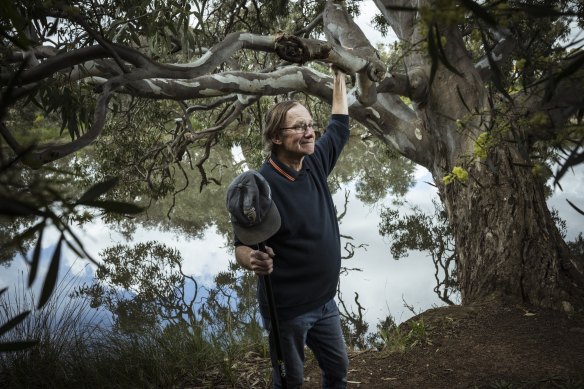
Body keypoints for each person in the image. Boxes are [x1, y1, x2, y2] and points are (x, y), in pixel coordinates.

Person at [234, 68, 350, 388]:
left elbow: (339, 125)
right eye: (299, 127)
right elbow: (240, 247)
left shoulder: (313, 162)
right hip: (288, 311)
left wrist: (339, 78)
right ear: (276, 137)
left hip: (325, 301)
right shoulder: (259, 187)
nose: (310, 132)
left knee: (338, 370)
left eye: (311, 124)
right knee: (290, 381)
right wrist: (252, 260)